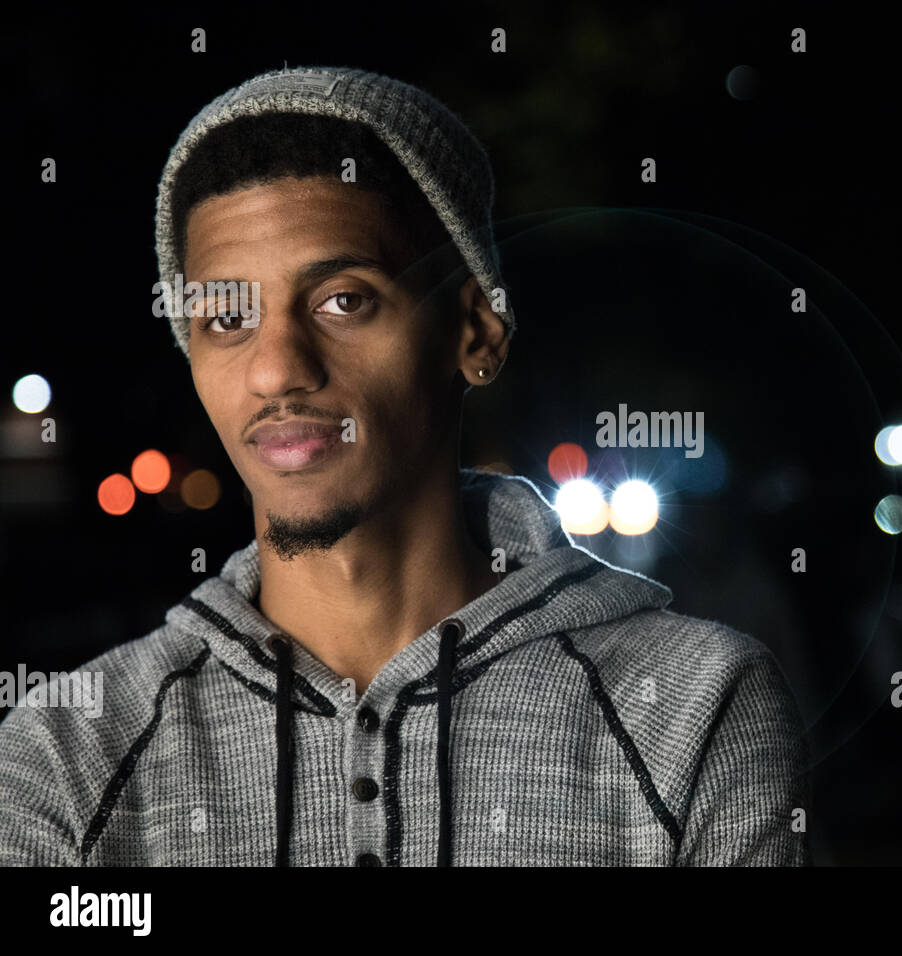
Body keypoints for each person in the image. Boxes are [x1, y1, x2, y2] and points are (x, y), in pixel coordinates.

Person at [0, 65, 810, 866]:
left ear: (476, 333)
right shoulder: (66, 753)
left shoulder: (695, 706)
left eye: (344, 300)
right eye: (227, 317)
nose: (276, 369)